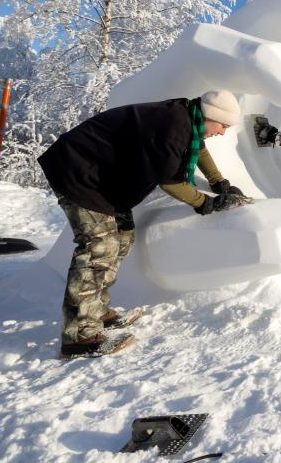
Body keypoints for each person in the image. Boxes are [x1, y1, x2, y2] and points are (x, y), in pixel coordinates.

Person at [38, 90, 247, 357]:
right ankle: (80, 336)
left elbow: (199, 149)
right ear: (211, 116)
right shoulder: (174, 126)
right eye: (223, 126)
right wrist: (207, 203)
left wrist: (220, 182)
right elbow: (170, 182)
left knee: (123, 238)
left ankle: (95, 311)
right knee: (99, 249)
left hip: (105, 179)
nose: (223, 132)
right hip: (78, 172)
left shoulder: (188, 118)